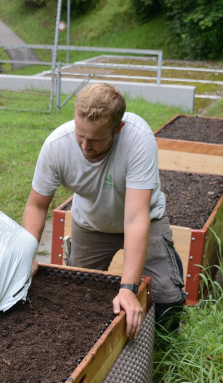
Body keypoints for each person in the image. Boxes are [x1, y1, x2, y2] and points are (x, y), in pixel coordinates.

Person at [21, 83, 185, 339]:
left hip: (145, 221)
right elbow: (36, 205)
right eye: (80, 135)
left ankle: (162, 351)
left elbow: (134, 218)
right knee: (76, 295)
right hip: (91, 224)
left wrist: (128, 288)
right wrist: (26, 253)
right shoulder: (57, 146)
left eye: (95, 139)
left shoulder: (138, 140)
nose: (85, 146)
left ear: (117, 129)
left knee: (167, 295)